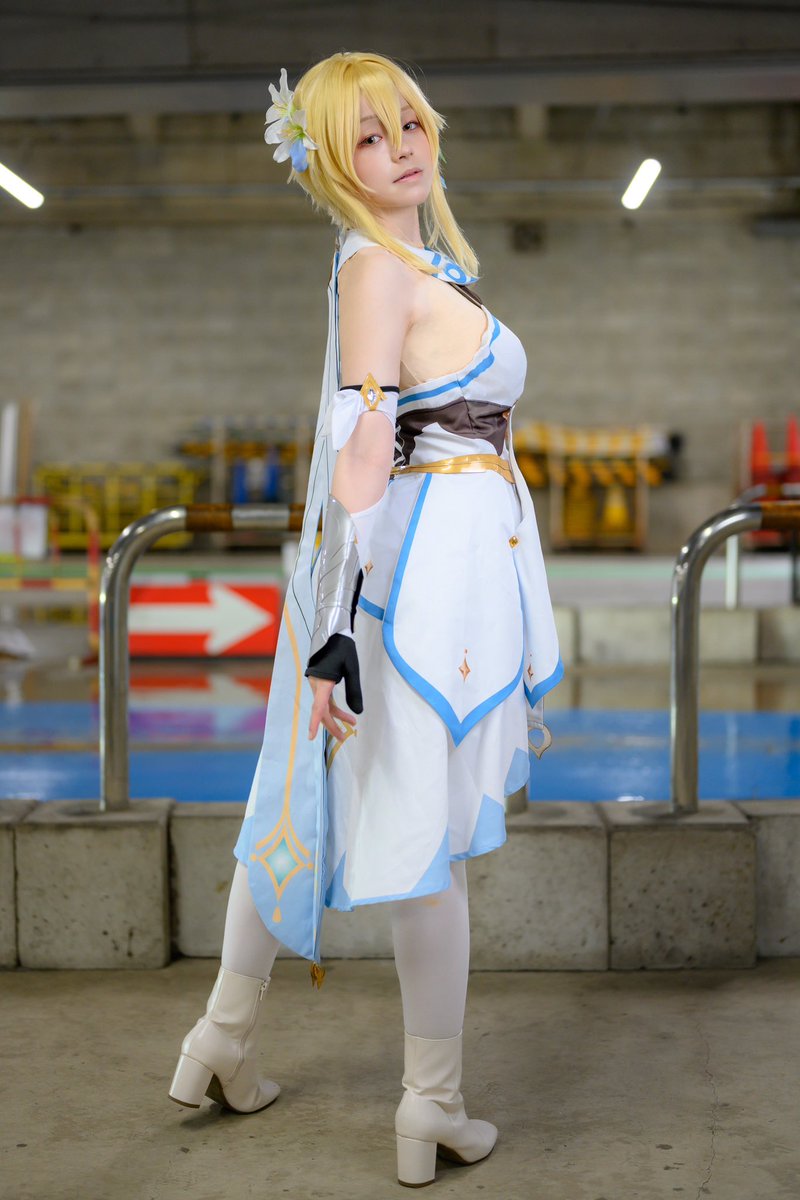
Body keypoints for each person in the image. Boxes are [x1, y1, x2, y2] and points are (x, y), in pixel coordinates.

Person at [168, 50, 562, 1188]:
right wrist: (336, 623)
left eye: (409, 124)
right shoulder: (375, 271)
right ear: (334, 166)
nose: (401, 149)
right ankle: (430, 1106)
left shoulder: (412, 263)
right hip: (421, 590)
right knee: (419, 833)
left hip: (445, 575)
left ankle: (222, 1039)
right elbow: (362, 448)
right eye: (369, 138)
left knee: (321, 796)